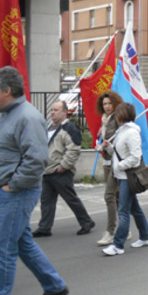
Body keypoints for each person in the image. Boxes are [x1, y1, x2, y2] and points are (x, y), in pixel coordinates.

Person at [0, 66, 68, 295]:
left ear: (7, 90)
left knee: (2, 248)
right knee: (23, 242)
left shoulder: (28, 117)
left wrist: (10, 187)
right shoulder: (1, 116)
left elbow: (37, 160)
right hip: (4, 193)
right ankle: (54, 286)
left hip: (17, 192)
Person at [32, 101, 94, 238]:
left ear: (64, 112)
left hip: (60, 172)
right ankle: (44, 227)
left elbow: (74, 149)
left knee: (70, 198)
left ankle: (86, 222)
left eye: (56, 110)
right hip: (48, 171)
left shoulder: (69, 128)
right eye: (52, 110)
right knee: (46, 200)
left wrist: (64, 166)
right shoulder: (50, 128)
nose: (52, 112)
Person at [101, 103, 148, 256]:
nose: (115, 117)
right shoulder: (122, 131)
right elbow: (120, 153)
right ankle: (146, 236)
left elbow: (135, 158)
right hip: (122, 175)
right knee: (134, 209)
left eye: (117, 114)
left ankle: (118, 244)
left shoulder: (131, 133)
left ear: (121, 115)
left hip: (126, 177)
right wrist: (109, 147)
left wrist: (119, 167)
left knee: (123, 211)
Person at [94, 91, 123, 246]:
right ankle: (125, 227)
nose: (107, 106)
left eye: (109, 103)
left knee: (109, 196)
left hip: (116, 162)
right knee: (117, 196)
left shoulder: (117, 119)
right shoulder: (104, 120)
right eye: (104, 104)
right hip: (106, 161)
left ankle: (110, 231)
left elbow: (119, 144)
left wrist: (107, 146)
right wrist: (100, 146)